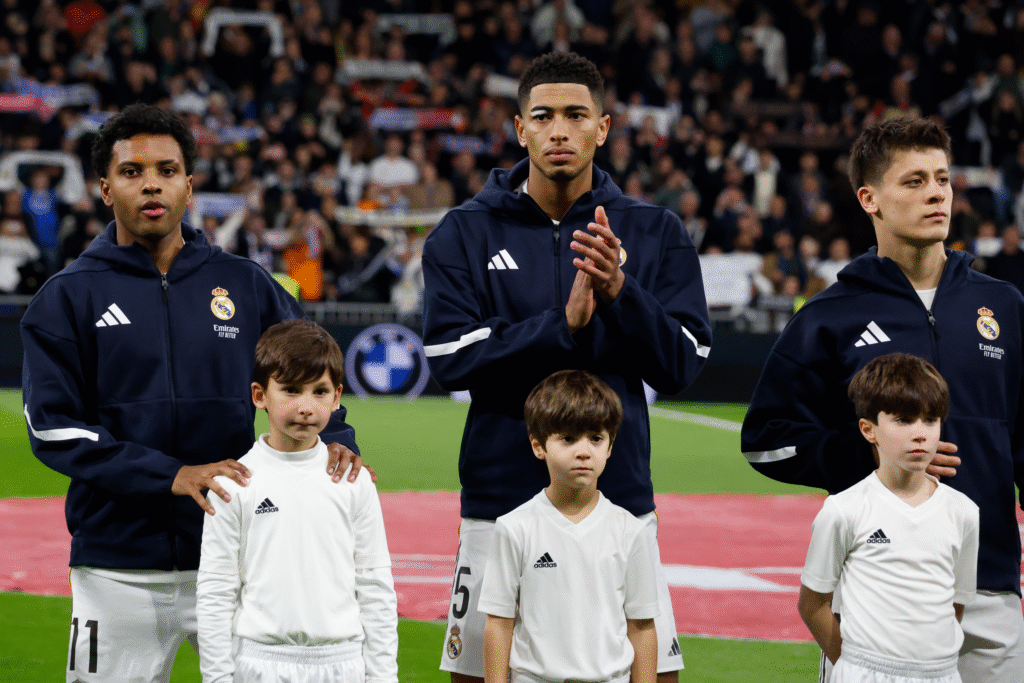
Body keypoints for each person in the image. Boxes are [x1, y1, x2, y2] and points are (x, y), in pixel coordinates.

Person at [20, 103, 368, 683]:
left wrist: (339, 439)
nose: (150, 183)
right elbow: (53, 427)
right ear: (105, 189)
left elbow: (314, 378)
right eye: (131, 172)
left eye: (166, 169)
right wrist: (171, 474)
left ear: (190, 184)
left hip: (244, 560)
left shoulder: (249, 285)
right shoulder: (66, 297)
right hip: (118, 568)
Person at [422, 51, 712, 683]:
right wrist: (564, 326)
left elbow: (684, 363)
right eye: (544, 116)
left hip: (618, 499)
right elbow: (448, 358)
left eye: (577, 115)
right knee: (478, 672)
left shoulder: (653, 230)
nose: (560, 130)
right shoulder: (465, 230)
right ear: (519, 128)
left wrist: (620, 294)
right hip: (499, 500)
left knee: (651, 670)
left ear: (602, 129)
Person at [742, 117, 1024, 683]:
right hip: (874, 585)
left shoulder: (1004, 305)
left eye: (942, 178)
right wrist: (866, 454)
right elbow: (765, 441)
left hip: (989, 582)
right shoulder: (829, 317)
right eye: (914, 180)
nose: (936, 192)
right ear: (869, 198)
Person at [197, 319, 397, 683]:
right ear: (259, 395)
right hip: (259, 663)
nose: (306, 406)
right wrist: (217, 677)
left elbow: (375, 584)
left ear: (337, 397)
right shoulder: (234, 484)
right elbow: (215, 592)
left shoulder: (354, 481)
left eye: (319, 392)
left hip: (343, 662)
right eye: (290, 390)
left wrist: (383, 676)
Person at [799, 353, 979, 683]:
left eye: (931, 420)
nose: (921, 433)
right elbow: (812, 604)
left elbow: (957, 603)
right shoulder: (845, 510)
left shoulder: (964, 512)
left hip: (942, 674)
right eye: (904, 420)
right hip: (863, 671)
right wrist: (852, 665)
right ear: (869, 430)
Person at [479, 369, 658, 683]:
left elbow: (641, 627)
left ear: (611, 445)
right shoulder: (515, 527)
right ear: (538, 446)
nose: (584, 451)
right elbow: (499, 623)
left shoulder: (631, 531)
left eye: (596, 438)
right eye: (568, 438)